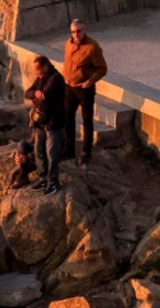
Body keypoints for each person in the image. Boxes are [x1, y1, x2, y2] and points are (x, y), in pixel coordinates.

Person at [61, 19, 108, 163]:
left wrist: (89, 81)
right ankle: (69, 150)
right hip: (69, 87)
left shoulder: (92, 47)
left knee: (87, 121)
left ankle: (86, 153)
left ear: (84, 30)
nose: (76, 34)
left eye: (79, 31)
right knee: (68, 119)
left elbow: (102, 69)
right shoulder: (68, 44)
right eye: (73, 32)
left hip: (84, 89)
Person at [23, 55, 68, 194]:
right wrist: (36, 93)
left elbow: (44, 101)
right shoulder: (41, 78)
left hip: (53, 123)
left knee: (52, 153)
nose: (36, 73)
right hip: (41, 123)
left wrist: (36, 97)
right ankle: (43, 178)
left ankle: (53, 182)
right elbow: (27, 93)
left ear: (45, 66)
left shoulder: (56, 79)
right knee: (38, 150)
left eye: (37, 69)